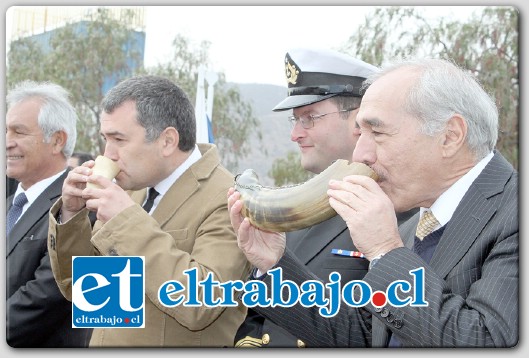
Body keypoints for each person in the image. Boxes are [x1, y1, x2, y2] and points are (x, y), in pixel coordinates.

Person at [228, 58, 518, 347]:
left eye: (377, 132)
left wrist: (384, 251)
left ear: (450, 136)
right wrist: (275, 265)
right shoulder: (411, 227)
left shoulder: (515, 212)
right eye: (360, 133)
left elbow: (490, 341)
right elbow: (365, 336)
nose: (360, 154)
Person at [47, 75, 251, 347]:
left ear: (167, 141)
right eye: (105, 139)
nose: (108, 154)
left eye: (119, 139)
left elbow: (201, 303)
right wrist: (72, 216)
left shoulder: (228, 198)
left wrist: (126, 222)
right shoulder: (132, 189)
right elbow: (83, 288)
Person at [234, 48, 416, 348]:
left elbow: (374, 335)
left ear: (360, 121)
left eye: (309, 118)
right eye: (294, 120)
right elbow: (256, 324)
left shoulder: (403, 214)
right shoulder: (296, 210)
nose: (295, 134)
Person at [6, 80, 92, 347]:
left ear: (57, 141)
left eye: (19, 132)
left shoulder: (79, 207)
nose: (7, 142)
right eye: (5, 131)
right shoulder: (10, 203)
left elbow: (48, 294)